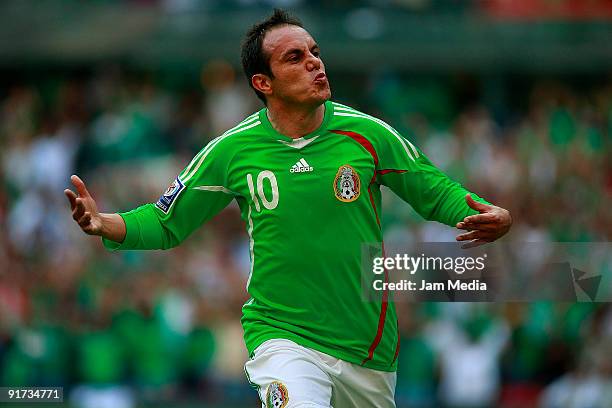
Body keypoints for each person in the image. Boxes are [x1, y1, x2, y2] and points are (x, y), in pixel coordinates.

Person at [65, 9, 512, 408]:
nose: (314, 62)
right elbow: (166, 222)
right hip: (282, 336)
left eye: (314, 52)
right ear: (264, 83)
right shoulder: (233, 150)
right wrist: (105, 222)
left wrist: (484, 210)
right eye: (294, 57)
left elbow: (432, 188)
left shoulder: (367, 134)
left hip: (368, 346)